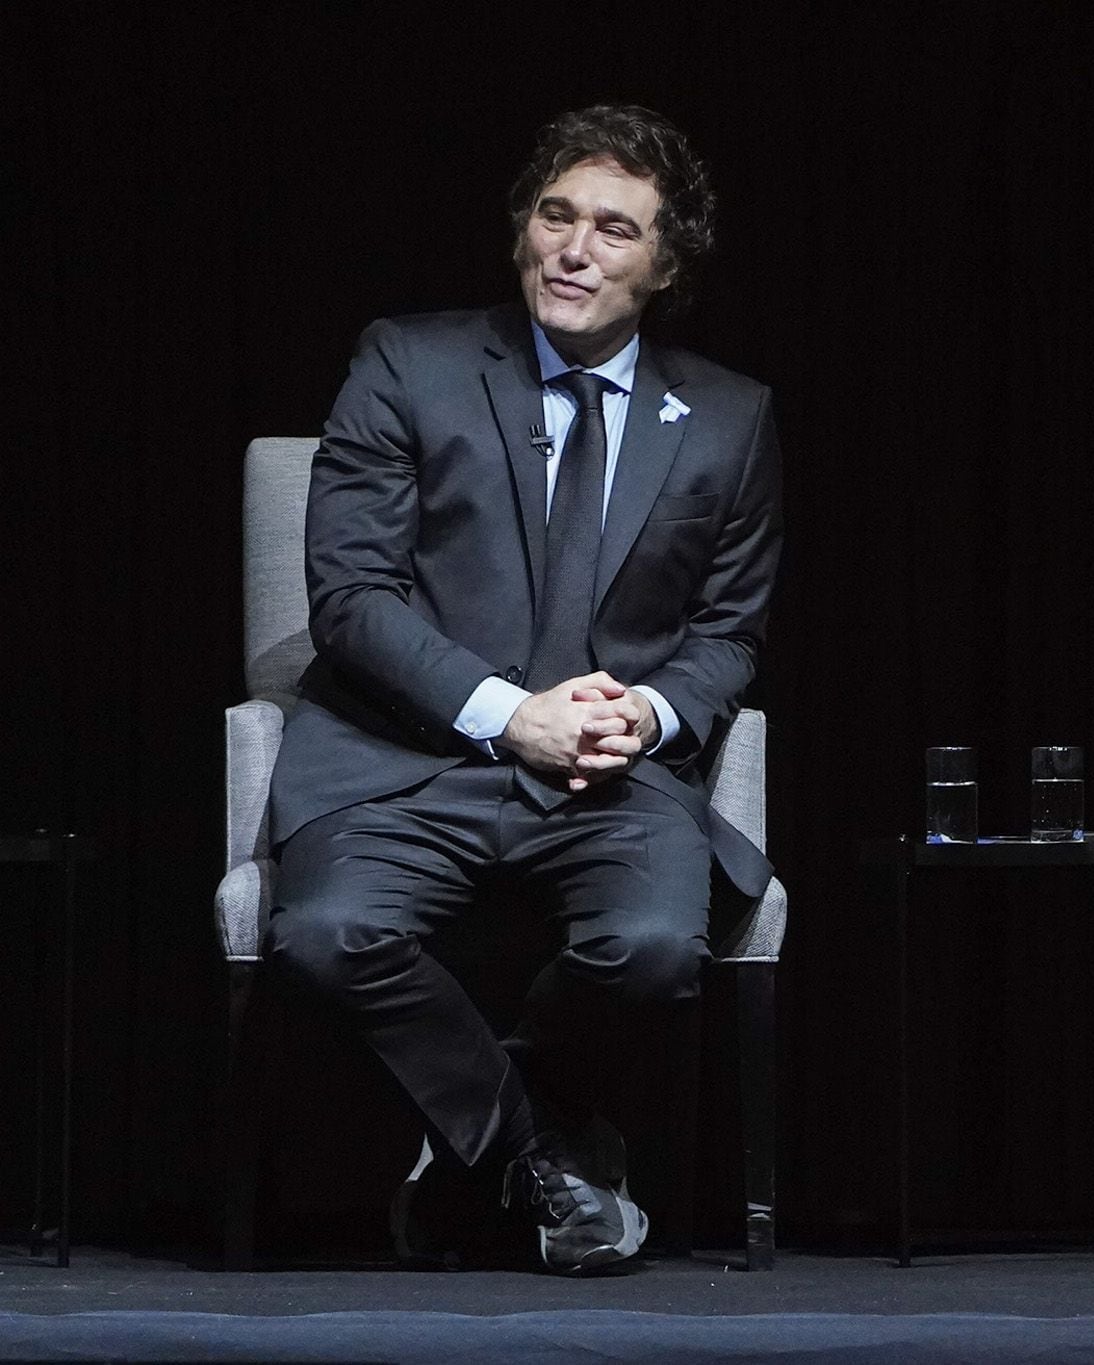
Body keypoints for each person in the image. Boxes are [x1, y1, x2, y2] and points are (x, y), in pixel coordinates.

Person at [264, 104, 783, 1276]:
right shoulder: (408, 359)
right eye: (555, 215)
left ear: (664, 265)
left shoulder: (732, 417)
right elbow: (349, 597)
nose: (574, 248)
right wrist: (511, 716)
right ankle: (542, 1159)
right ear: (519, 230)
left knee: (653, 947)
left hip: (610, 772)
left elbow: (728, 633)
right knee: (327, 932)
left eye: (614, 229)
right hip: (412, 756)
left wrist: (646, 715)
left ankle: (467, 1158)